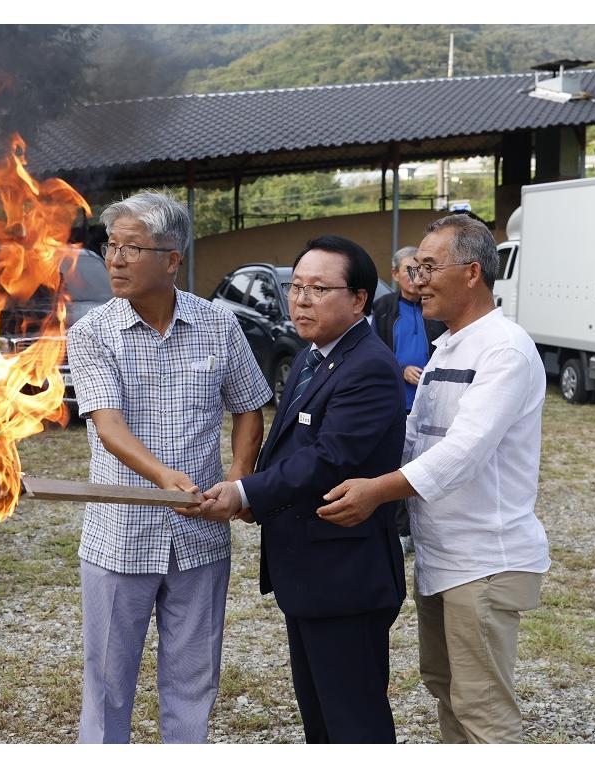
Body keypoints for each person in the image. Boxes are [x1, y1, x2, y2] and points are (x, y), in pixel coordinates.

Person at [316, 214, 550, 744]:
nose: (416, 281)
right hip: (443, 557)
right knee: (447, 687)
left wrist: (377, 490)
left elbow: (462, 453)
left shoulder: (504, 349)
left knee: (482, 705)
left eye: (428, 267)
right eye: (415, 268)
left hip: (485, 560)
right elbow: (415, 437)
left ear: (471, 273)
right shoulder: (447, 346)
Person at [65, 191, 271, 743]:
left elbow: (250, 406)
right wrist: (166, 480)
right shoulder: (91, 333)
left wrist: (236, 478)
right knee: (107, 679)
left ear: (172, 259)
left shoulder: (218, 325)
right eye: (111, 246)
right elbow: (108, 427)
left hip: (200, 535)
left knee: (193, 676)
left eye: (132, 248)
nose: (115, 260)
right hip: (120, 536)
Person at [191, 235, 406, 743]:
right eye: (296, 287)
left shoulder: (369, 367)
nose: (301, 299)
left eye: (319, 288)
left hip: (345, 575)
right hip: (311, 573)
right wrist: (257, 490)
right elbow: (291, 445)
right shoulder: (316, 355)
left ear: (359, 299)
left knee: (354, 724)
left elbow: (329, 459)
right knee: (320, 719)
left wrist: (247, 492)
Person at [371, 245, 446, 554]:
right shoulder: (384, 308)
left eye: (421, 270)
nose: (417, 277)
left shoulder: (435, 309)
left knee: (430, 465)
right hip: (398, 404)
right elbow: (373, 354)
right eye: (410, 271)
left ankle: (426, 527)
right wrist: (400, 370)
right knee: (397, 468)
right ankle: (402, 531)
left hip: (432, 405)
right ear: (394, 274)